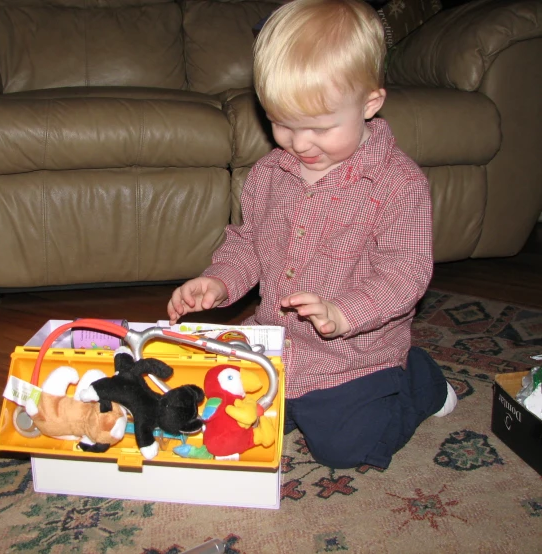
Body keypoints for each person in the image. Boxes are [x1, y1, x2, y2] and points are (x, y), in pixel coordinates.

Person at [166, 0, 456, 469]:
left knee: (345, 448)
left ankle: (421, 380)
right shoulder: (268, 174)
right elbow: (248, 244)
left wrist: (344, 313)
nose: (299, 144)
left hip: (353, 355)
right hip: (273, 342)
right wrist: (219, 281)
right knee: (212, 410)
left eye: (319, 127)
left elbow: (406, 272)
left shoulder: (397, 184)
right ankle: (292, 403)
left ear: (370, 104)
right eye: (281, 123)